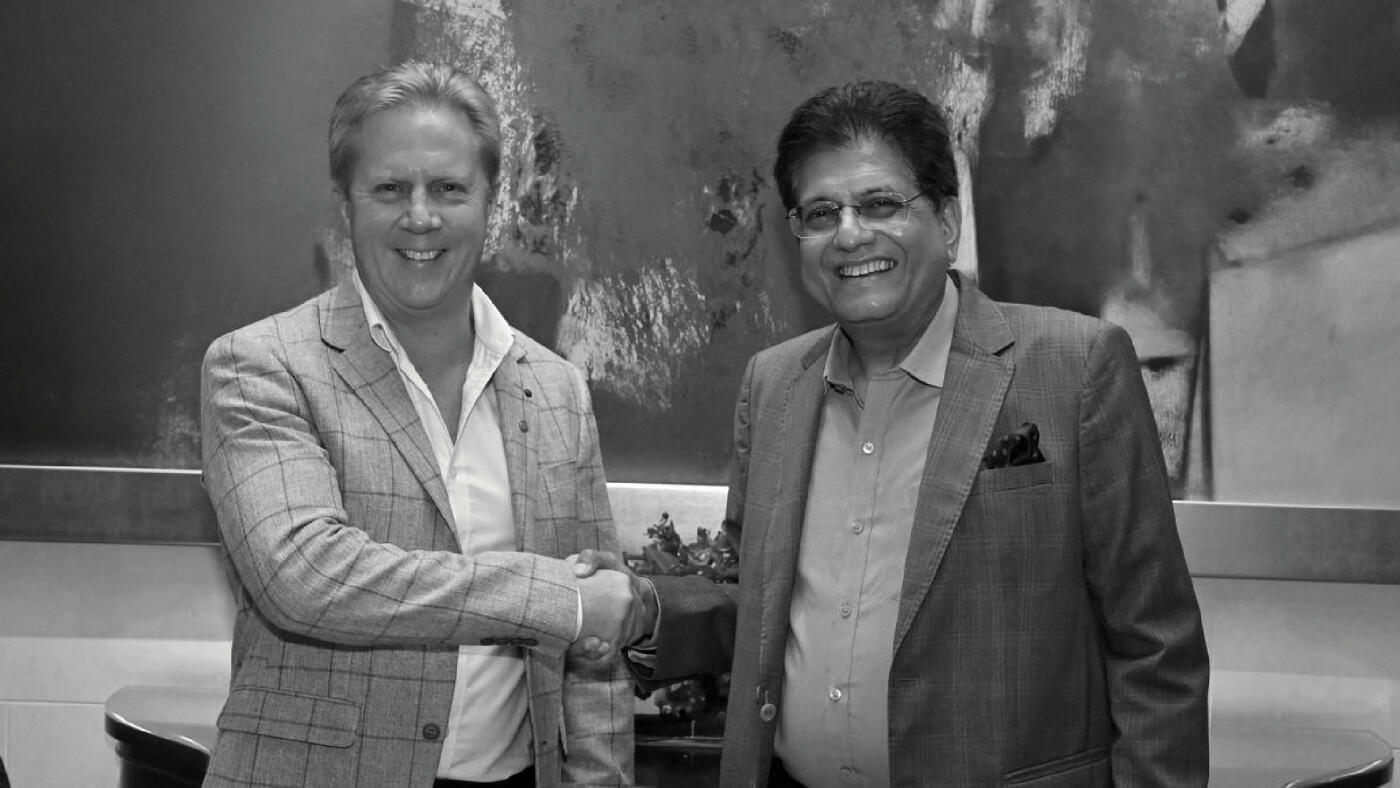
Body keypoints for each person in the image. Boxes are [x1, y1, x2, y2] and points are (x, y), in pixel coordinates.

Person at [578, 80, 1210, 786]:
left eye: (880, 204)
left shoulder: (1075, 367)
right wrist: (646, 608)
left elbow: (1156, 647)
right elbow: (751, 593)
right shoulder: (774, 383)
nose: (850, 234)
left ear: (947, 220)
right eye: (821, 213)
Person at [200, 60, 645, 788]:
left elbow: (593, 656)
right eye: (389, 189)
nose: (420, 216)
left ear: (490, 203)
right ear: (345, 204)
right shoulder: (260, 366)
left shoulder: (557, 389)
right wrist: (556, 600)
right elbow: (305, 576)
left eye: (448, 188)